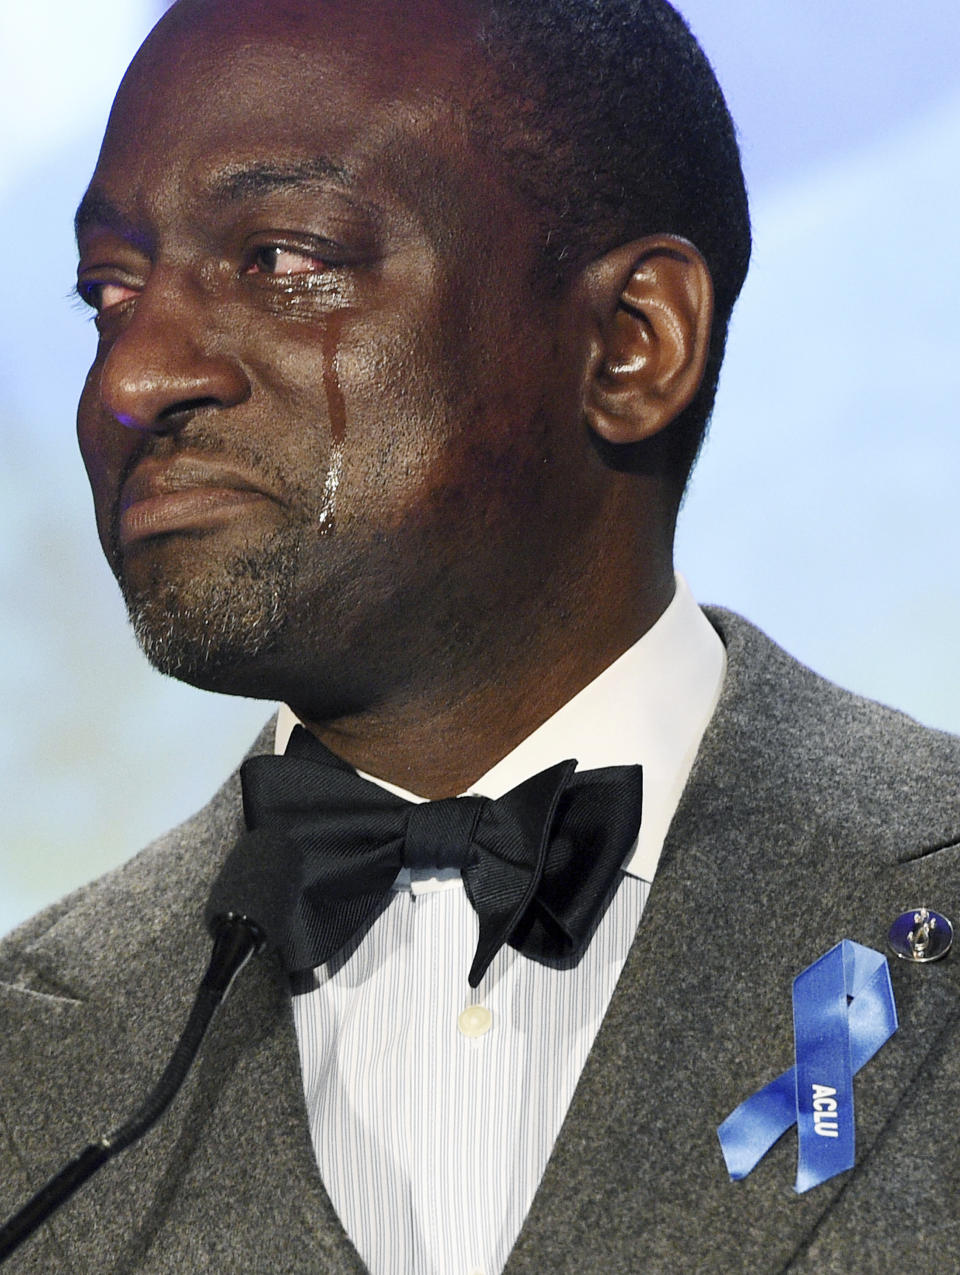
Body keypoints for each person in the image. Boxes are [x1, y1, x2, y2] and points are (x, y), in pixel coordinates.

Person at [1, 0, 958, 1271]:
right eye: (107, 294)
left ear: (632, 344)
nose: (127, 382)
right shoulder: (29, 1058)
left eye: (285, 259)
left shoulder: (926, 892)